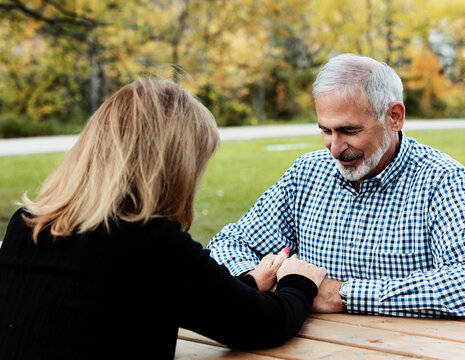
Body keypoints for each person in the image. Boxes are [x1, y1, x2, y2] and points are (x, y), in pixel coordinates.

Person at [0, 78, 327, 360]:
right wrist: (299, 281)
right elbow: (262, 326)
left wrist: (251, 284)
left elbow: (184, 299)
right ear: (173, 167)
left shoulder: (27, 224)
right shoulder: (152, 243)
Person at [208, 54, 465, 318]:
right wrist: (253, 279)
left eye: (349, 130)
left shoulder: (444, 181)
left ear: (394, 117)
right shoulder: (307, 172)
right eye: (326, 130)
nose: (335, 148)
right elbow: (227, 244)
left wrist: (340, 294)